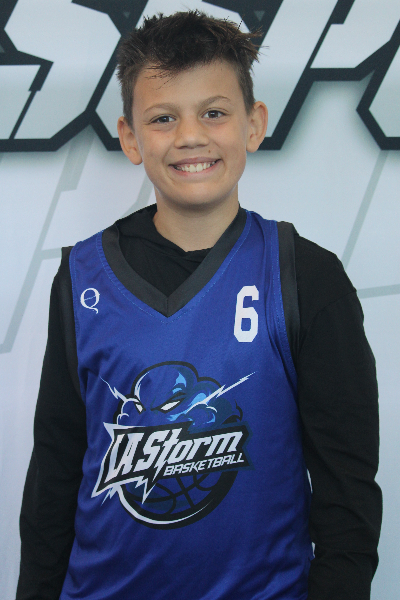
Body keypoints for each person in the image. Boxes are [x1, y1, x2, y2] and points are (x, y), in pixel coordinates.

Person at [17, 10, 382, 600]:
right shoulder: (82, 276)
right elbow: (54, 476)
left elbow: (349, 494)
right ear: (130, 138)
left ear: (253, 124)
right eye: (163, 118)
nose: (190, 136)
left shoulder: (306, 277)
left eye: (214, 112)